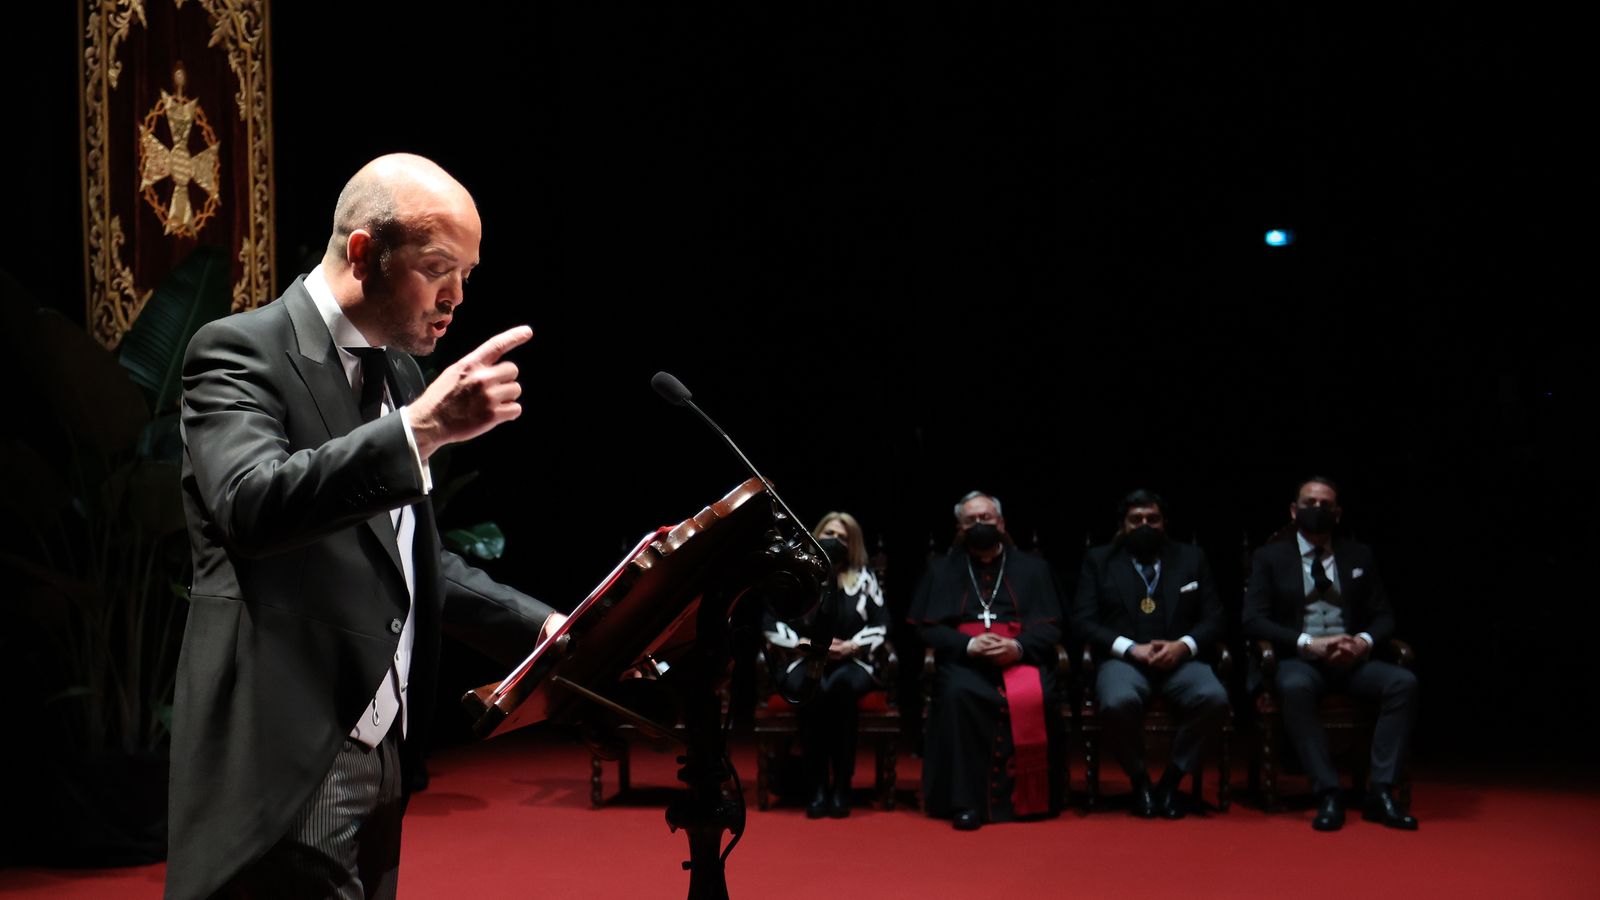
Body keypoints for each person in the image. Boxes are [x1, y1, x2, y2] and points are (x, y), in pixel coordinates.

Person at [166, 153, 566, 900]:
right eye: (438, 267)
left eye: (468, 276)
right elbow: (252, 505)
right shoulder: (239, 352)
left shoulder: (398, 374)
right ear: (363, 252)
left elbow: (408, 557)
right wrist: (419, 433)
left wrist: (538, 625)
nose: (455, 297)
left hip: (383, 750)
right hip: (289, 756)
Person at [1243, 476, 1419, 831]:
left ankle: (1381, 790)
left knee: (1403, 682)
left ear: (1337, 514)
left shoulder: (1359, 554)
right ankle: (1328, 791)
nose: (1317, 510)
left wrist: (1363, 642)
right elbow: (1253, 620)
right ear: (1294, 511)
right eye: (1310, 503)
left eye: (1326, 505)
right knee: (1293, 687)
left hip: (1351, 661)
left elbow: (1384, 614)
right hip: (1300, 660)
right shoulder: (1270, 558)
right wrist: (1309, 643)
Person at [908, 491, 1063, 831]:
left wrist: (1018, 647)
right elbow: (925, 630)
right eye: (971, 520)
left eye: (987, 518)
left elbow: (1052, 629)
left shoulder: (1033, 569)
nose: (980, 525)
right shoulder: (940, 570)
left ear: (1002, 523)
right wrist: (969, 645)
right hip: (965, 661)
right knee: (958, 695)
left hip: (1020, 658)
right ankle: (965, 802)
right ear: (960, 528)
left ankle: (1033, 798)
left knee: (1043, 694)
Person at [1070, 489, 1228, 818]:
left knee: (1214, 697)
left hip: (1180, 659)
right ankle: (1140, 780)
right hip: (1124, 659)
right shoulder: (1099, 561)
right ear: (1123, 525)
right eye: (1136, 520)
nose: (1145, 525)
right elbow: (1083, 621)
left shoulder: (1191, 558)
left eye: (1152, 519)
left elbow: (1214, 617)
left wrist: (1183, 645)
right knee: (1116, 702)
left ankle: (1171, 780)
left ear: (1164, 522)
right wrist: (1130, 649)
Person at [762, 512, 888, 818]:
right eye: (830, 533)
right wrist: (803, 646)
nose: (835, 541)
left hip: (852, 661)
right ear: (817, 534)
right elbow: (770, 622)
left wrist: (851, 646)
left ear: (853, 544)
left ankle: (842, 785)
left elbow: (881, 624)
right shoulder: (795, 577)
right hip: (802, 659)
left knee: (841, 689)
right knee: (813, 691)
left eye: (843, 537)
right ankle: (816, 787)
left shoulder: (864, 579)